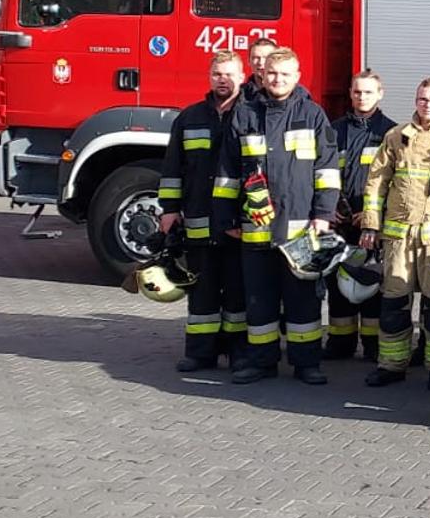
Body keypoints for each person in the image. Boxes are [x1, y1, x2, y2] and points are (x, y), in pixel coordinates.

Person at [211, 47, 339, 385]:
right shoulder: (245, 114)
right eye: (272, 73)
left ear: (297, 77)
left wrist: (324, 214)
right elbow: (227, 172)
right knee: (259, 300)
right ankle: (262, 362)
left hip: (300, 230)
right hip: (255, 228)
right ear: (262, 74)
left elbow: (327, 169)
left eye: (284, 74)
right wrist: (226, 219)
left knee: (303, 300)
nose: (277, 79)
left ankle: (306, 363)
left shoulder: (312, 114)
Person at [358, 77, 430, 389]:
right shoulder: (396, 136)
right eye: (423, 99)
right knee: (394, 304)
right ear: (415, 101)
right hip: (398, 238)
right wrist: (371, 223)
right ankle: (391, 364)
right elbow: (376, 183)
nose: (428, 105)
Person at [158, 50, 249, 372]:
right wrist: (169, 209)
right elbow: (173, 167)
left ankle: (239, 354)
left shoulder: (250, 116)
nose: (223, 80)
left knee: (238, 293)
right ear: (209, 78)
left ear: (242, 77)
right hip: (198, 219)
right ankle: (200, 353)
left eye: (229, 74)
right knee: (202, 291)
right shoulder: (189, 117)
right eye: (217, 74)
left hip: (237, 222)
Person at [325, 70, 393, 361]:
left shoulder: (391, 133)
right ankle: (340, 342)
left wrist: (373, 215)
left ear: (380, 94)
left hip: (372, 223)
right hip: (339, 221)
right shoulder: (333, 130)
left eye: (368, 92)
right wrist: (327, 208)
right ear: (350, 94)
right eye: (357, 92)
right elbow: (321, 171)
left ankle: (373, 344)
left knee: (372, 282)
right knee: (337, 285)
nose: (362, 97)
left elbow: (396, 182)